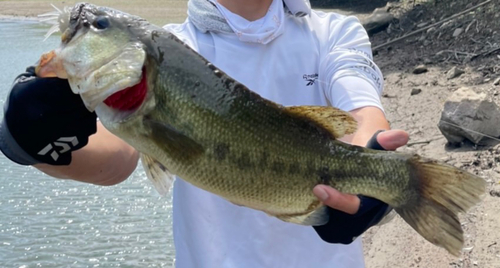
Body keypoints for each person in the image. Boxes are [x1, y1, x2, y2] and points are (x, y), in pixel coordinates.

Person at [0, 0, 409, 267]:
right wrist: (31, 141)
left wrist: (376, 174)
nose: (87, 27)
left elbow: (363, 116)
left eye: (100, 25)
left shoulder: (336, 34)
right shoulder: (176, 44)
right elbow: (113, 161)